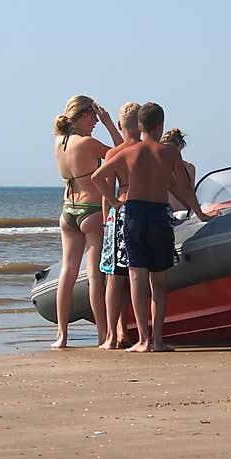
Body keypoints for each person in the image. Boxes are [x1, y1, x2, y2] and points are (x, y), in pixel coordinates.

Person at [92, 102, 211, 353]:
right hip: (158, 215)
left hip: (134, 214)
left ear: (139, 126)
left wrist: (114, 203)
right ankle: (157, 340)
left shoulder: (129, 152)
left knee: (136, 278)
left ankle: (142, 341)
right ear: (161, 126)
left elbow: (96, 178)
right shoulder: (170, 153)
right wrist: (200, 212)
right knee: (158, 281)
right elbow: (181, 189)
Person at [52, 94, 122, 349]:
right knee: (94, 275)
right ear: (82, 116)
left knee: (67, 273)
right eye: (92, 117)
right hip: (91, 211)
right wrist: (109, 123)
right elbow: (122, 151)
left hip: (67, 211)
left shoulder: (59, 142)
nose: (94, 121)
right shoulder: (88, 143)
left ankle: (62, 335)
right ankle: (103, 335)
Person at [98, 102, 141, 350]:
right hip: (146, 207)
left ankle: (112, 336)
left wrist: (107, 219)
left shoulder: (114, 154)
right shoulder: (148, 150)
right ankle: (142, 333)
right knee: (140, 274)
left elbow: (106, 192)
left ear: (120, 125)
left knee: (114, 276)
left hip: (121, 207)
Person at [159, 128, 196, 213]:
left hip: (173, 214)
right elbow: (191, 193)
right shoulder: (189, 168)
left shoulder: (189, 168)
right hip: (185, 213)